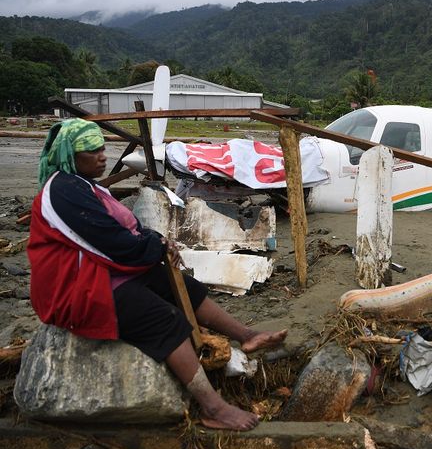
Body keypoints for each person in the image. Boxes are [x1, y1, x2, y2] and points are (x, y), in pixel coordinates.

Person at [27, 118, 287, 430]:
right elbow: (111, 243)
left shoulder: (85, 187)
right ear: (71, 155)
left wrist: (160, 243)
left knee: (182, 286)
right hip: (76, 289)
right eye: (91, 152)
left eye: (101, 148)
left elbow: (130, 231)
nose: (102, 156)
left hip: (102, 273)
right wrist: (154, 246)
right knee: (165, 319)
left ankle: (247, 335)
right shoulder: (62, 191)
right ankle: (214, 408)